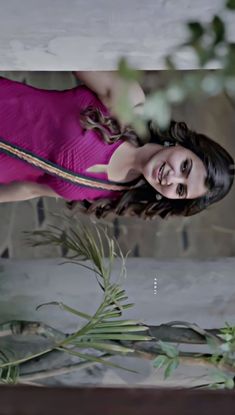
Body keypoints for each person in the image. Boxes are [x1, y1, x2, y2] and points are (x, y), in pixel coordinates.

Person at [0, 71, 233, 220]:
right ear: (185, 145)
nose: (172, 179)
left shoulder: (114, 195)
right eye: (185, 167)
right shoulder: (132, 106)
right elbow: (73, 54)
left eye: (180, 190)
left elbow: (30, 189)